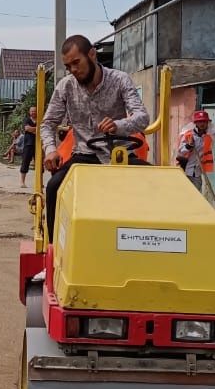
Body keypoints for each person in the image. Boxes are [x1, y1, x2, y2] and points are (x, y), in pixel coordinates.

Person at [40, 35, 150, 241]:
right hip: (84, 156)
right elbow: (47, 124)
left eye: (76, 62)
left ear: (91, 54)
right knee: (55, 186)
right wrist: (51, 150)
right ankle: (54, 254)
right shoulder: (66, 86)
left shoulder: (120, 79)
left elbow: (142, 117)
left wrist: (119, 125)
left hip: (121, 154)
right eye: (68, 66)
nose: (73, 70)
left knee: (157, 184)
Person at [18, 105, 38, 189]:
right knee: (25, 162)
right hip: (28, 144)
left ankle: (39, 183)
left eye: (35, 111)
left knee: (39, 164)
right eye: (32, 111)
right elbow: (27, 128)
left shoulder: (40, 119)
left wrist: (32, 129)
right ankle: (22, 182)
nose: (33, 112)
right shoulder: (27, 119)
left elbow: (41, 129)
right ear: (29, 112)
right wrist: (36, 129)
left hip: (38, 144)